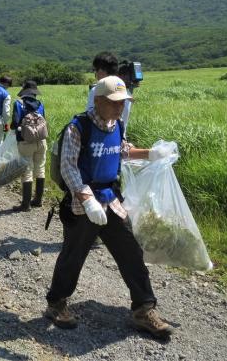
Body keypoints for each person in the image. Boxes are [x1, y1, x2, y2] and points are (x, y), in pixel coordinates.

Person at [44, 76, 174, 339]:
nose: (119, 107)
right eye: (114, 103)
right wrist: (86, 199)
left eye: (123, 103)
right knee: (73, 255)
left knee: (131, 251)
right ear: (99, 100)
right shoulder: (78, 128)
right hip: (84, 203)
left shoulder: (117, 124)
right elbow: (68, 166)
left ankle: (143, 309)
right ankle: (56, 304)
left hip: (111, 198)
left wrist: (150, 153)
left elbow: (121, 151)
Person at [10, 80, 47, 211]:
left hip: (25, 142)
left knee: (27, 171)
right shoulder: (40, 104)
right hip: (41, 141)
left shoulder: (19, 104)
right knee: (40, 169)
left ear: (24, 91)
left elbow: (14, 123)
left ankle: (25, 204)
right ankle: (37, 200)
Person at [86, 52, 132, 128]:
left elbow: (89, 118)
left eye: (96, 70)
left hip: (99, 135)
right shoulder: (126, 92)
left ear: (101, 71)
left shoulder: (96, 90)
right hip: (119, 135)